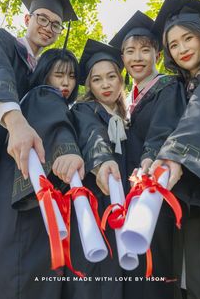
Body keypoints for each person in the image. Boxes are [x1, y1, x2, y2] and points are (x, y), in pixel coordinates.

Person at [0, 47, 84, 299]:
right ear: (43, 74)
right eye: (58, 74)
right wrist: (69, 150)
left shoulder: (25, 101)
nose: (65, 83)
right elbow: (57, 125)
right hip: (24, 205)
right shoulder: (44, 94)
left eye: (72, 76)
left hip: (6, 199)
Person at [109, 10, 187, 299]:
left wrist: (147, 165)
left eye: (145, 50)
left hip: (156, 191)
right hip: (134, 196)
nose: (137, 57)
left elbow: (163, 131)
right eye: (130, 51)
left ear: (157, 52)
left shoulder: (169, 87)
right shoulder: (129, 100)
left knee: (156, 272)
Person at [0, 0, 78, 204]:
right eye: (42, 18)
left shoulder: (42, 74)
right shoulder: (1, 41)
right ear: (27, 19)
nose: (48, 27)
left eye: (56, 24)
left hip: (8, 165)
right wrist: (16, 123)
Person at [149, 0, 200, 299]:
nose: (181, 49)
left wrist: (175, 155)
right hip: (189, 196)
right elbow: (160, 131)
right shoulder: (174, 88)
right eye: (173, 45)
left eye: (187, 38)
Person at [61, 39, 127, 299]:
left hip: (120, 203)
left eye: (111, 77)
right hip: (95, 202)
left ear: (121, 80)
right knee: (94, 274)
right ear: (89, 85)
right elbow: (92, 135)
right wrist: (101, 162)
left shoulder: (124, 117)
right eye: (97, 79)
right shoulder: (84, 109)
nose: (106, 84)